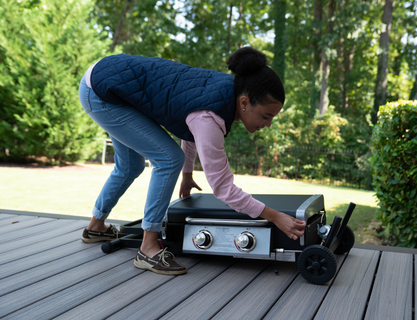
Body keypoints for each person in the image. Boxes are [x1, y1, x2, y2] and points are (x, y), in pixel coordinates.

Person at [78, 47, 306, 275]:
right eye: (266, 116)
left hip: (106, 80)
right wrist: (276, 217)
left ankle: (96, 227)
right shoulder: (212, 114)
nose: (267, 124)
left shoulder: (228, 91)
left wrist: (187, 175)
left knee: (130, 166)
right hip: (101, 92)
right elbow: (223, 189)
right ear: (244, 102)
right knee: (168, 159)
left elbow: (190, 128)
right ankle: (147, 249)